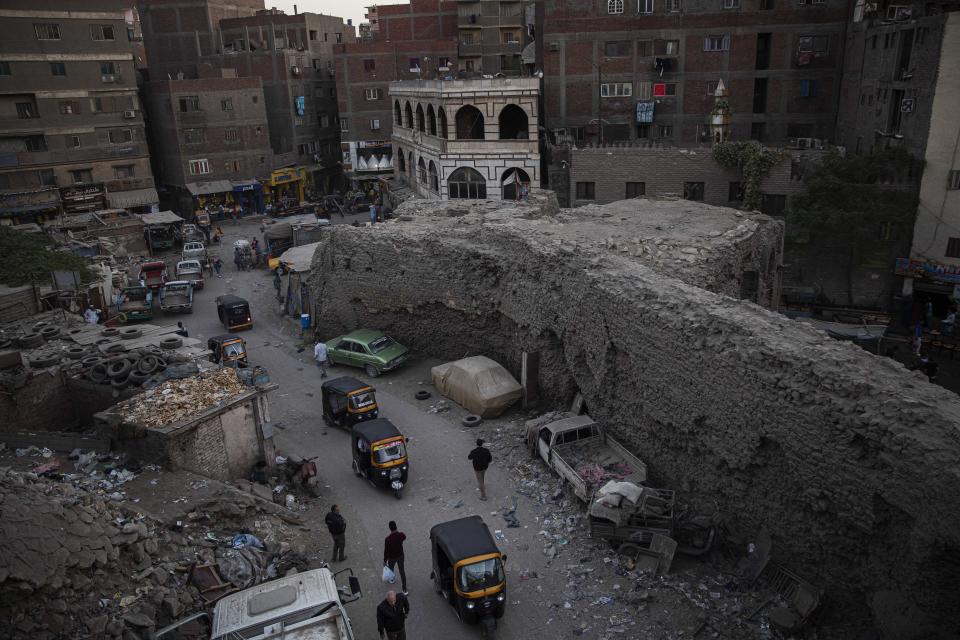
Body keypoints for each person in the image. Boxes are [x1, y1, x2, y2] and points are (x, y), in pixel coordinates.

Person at [383, 521, 408, 595]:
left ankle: (392, 579)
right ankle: (404, 589)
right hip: (400, 556)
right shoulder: (401, 535)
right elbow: (404, 537)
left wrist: (384, 561)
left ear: (389, 528)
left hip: (391, 557)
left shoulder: (387, 539)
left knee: (391, 568)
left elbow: (386, 551)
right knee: (402, 571)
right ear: (396, 527)